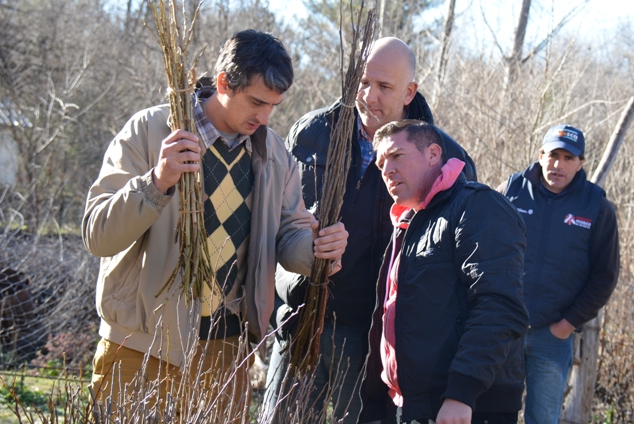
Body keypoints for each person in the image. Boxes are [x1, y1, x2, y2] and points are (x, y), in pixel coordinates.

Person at [81, 29, 348, 419]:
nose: (265, 116)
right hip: (142, 349)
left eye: (274, 105)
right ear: (224, 82)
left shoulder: (275, 155)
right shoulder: (151, 131)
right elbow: (97, 234)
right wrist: (156, 183)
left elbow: (289, 237)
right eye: (256, 102)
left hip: (225, 354)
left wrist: (318, 251)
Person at [262, 38, 477, 423]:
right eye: (362, 82)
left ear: (410, 92)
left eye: (384, 87)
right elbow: (277, 222)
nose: (368, 96)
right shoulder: (311, 134)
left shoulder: (443, 158)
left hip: (374, 339)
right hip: (300, 320)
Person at [359, 120, 529, 424]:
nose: (386, 169)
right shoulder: (408, 224)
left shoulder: (478, 206)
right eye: (381, 162)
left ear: (433, 154)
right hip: (412, 403)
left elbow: (499, 306)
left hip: (466, 406)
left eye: (397, 155)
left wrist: (461, 393)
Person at [497, 124, 620, 424]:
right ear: (540, 155)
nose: (558, 165)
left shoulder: (598, 207)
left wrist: (568, 324)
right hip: (501, 329)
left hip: (552, 335)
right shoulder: (509, 191)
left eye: (568, 158)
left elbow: (605, 276)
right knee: (491, 414)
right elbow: (482, 250)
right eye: (553, 155)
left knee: (543, 418)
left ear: (580, 163)